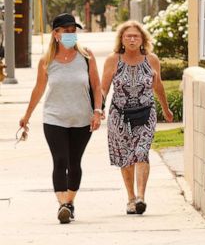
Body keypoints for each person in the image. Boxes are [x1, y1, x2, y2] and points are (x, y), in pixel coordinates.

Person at [18, 13, 104, 224]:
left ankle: (70, 201)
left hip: (82, 119)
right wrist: (26, 115)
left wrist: (97, 111)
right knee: (60, 161)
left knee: (75, 163)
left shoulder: (86, 56)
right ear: (56, 34)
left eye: (74, 31)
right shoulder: (47, 61)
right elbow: (39, 89)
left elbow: (97, 86)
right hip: (54, 118)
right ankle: (62, 204)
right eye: (66, 31)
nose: (71, 35)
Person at [101, 20, 173, 215]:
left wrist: (165, 109)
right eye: (128, 36)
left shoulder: (151, 59)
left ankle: (141, 197)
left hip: (145, 112)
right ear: (122, 40)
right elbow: (104, 88)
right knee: (126, 158)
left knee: (141, 152)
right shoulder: (113, 60)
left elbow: (158, 85)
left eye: (136, 36)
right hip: (119, 115)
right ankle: (131, 198)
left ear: (142, 39)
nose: (132, 39)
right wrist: (98, 109)